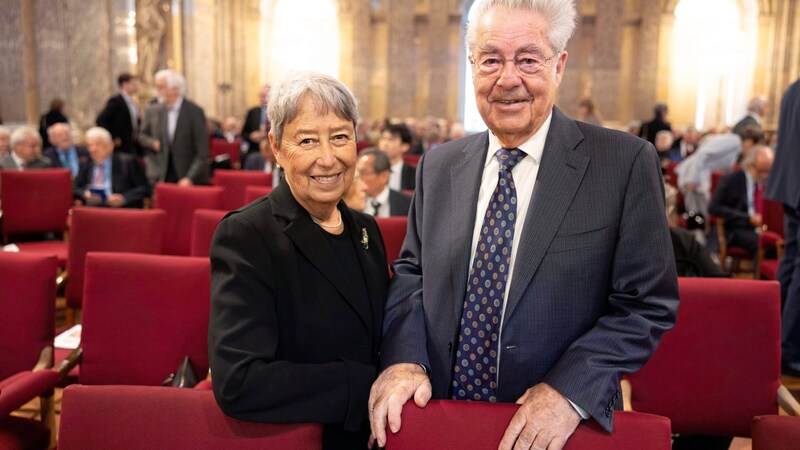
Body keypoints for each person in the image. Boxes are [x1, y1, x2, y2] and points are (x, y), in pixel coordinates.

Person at [368, 1, 679, 449]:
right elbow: (414, 276)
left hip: (558, 426)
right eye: (491, 60)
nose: (508, 79)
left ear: (559, 66)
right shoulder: (439, 166)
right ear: (472, 66)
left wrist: (569, 391)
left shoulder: (623, 164)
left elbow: (646, 303)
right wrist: (405, 359)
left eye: (528, 59)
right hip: (441, 416)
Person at [209, 72, 389, 449]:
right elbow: (240, 380)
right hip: (301, 439)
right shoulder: (248, 235)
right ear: (276, 147)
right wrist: (360, 385)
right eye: (307, 140)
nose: (328, 158)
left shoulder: (366, 229)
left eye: (340, 137)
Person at [765, 78, 800, 377]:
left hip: (789, 188)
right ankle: (789, 349)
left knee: (790, 263)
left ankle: (773, 339)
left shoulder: (792, 88)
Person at [138, 70, 209, 187]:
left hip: (186, 175)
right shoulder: (154, 110)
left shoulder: (194, 112)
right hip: (161, 173)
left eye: (163, 87)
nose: (159, 91)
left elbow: (202, 151)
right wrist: (152, 143)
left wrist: (189, 177)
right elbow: (141, 135)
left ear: (175, 89)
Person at [709, 145, 774, 256]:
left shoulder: (764, 183)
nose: (766, 174)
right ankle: (759, 273)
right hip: (736, 228)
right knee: (764, 244)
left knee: (777, 243)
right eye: (763, 170)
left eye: (768, 171)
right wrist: (748, 218)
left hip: (760, 227)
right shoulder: (732, 180)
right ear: (752, 164)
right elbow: (714, 207)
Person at [73, 127, 149, 208]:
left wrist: (124, 198)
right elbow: (75, 188)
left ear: (110, 146)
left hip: (120, 210)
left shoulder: (127, 162)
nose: (93, 149)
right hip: (93, 209)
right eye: (90, 145)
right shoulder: (86, 163)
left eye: (98, 144)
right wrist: (85, 194)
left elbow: (144, 189)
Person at [356, 148, 412, 217]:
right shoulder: (351, 203)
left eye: (364, 173)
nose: (358, 179)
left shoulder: (407, 204)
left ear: (384, 176)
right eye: (357, 174)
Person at [96, 73, 141, 155]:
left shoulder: (133, 103)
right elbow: (101, 120)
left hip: (132, 143)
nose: (136, 86)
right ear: (125, 85)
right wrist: (114, 137)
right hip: (121, 145)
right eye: (133, 84)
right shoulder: (116, 101)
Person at [378, 123, 416, 191]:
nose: (385, 144)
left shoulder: (415, 175)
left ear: (405, 146)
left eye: (391, 139)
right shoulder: (371, 171)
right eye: (383, 138)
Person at [241, 84, 271, 155]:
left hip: (271, 149)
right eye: (261, 96)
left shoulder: (276, 112)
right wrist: (251, 136)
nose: (262, 98)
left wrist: (265, 135)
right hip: (254, 149)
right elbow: (244, 133)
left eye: (265, 96)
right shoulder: (252, 112)